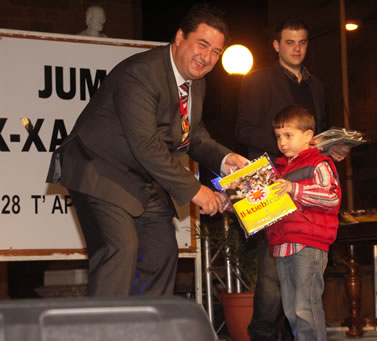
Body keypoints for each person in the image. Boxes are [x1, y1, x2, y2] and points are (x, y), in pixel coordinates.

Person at [47, 3, 248, 297]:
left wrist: (226, 158)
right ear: (180, 37)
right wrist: (196, 190)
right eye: (202, 45)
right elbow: (145, 143)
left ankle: (144, 327)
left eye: (216, 52)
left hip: (142, 178)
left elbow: (193, 136)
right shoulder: (141, 73)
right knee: (120, 248)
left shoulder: (197, 84)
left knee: (161, 253)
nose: (207, 58)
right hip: (100, 170)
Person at [235, 18, 348, 340]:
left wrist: (329, 146)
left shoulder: (317, 85)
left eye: (302, 42)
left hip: (304, 181)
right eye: (289, 42)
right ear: (276, 45)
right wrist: (286, 145)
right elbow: (242, 129)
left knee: (300, 294)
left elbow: (318, 132)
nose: (296, 48)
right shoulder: (256, 81)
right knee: (273, 282)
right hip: (272, 179)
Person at [268, 104, 341, 341]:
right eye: (278, 136)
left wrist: (294, 188)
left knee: (305, 307)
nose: (282, 142)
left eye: (289, 135)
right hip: (283, 243)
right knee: (291, 311)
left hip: (308, 244)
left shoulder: (319, 163)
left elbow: (331, 197)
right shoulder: (280, 170)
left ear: (308, 135)